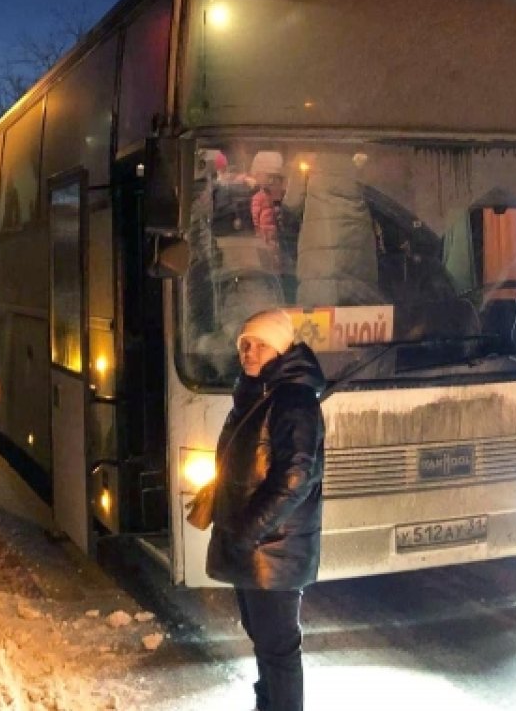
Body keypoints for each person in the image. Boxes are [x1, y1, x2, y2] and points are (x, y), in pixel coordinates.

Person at [206, 309, 326, 711]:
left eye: (259, 344)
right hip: (258, 544)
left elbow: (295, 476)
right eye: (244, 345)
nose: (249, 352)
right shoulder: (259, 393)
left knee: (278, 649)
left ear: (281, 348)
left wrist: (246, 531)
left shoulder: (292, 399)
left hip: (273, 545)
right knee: (264, 641)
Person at [282, 151, 384, 307]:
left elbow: (292, 204)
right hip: (358, 260)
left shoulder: (306, 160)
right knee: (355, 321)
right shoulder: (359, 163)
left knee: (317, 322)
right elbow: (380, 203)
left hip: (319, 266)